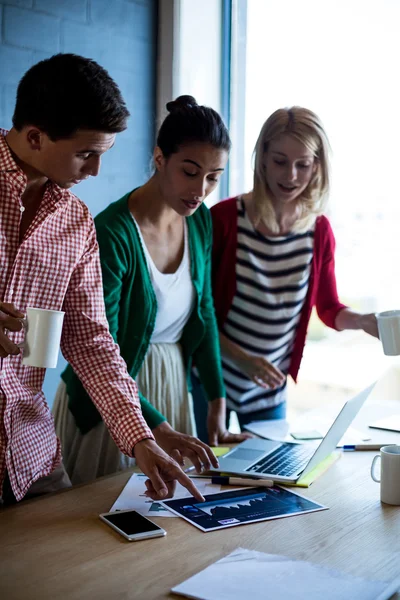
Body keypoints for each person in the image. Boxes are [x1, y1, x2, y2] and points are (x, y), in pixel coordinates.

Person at [0, 54, 214, 506]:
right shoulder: (111, 227)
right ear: (35, 136)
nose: (96, 171)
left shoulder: (76, 222)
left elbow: (93, 343)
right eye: (86, 153)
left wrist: (141, 438)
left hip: (28, 448)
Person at [54, 95, 250, 485]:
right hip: (112, 399)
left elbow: (205, 312)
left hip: (170, 386)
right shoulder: (112, 232)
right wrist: (151, 426)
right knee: (103, 522)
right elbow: (95, 346)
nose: (201, 189)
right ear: (160, 158)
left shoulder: (199, 222)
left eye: (214, 177)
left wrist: (216, 401)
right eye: (190, 171)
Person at [209, 106, 378, 428]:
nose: (291, 176)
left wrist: (362, 321)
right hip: (210, 379)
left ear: (317, 166)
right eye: (280, 162)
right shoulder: (225, 219)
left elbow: (328, 308)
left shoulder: (319, 231)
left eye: (303, 165)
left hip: (269, 389)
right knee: (201, 474)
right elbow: (196, 312)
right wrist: (242, 360)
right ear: (262, 158)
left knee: (268, 476)